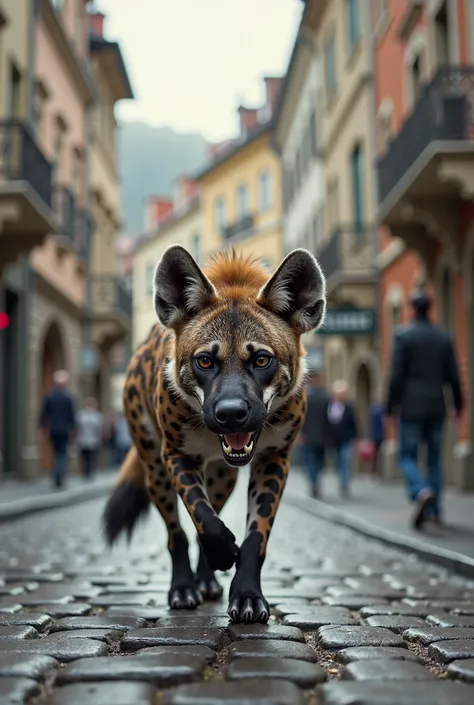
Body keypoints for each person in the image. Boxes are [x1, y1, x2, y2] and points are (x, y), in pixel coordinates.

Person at [386, 290, 463, 530]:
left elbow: (396, 375)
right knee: (434, 459)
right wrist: (459, 404)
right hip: (437, 404)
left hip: (411, 406)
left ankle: (421, 491)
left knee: (407, 456)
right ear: (430, 308)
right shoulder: (443, 336)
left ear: (411, 309)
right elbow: (454, 374)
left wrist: (390, 405)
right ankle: (436, 511)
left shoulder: (403, 336)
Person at [38, 370, 76, 489]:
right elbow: (72, 416)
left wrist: (42, 428)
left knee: (55, 453)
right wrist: (74, 430)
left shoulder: (49, 396)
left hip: (53, 429)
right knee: (62, 453)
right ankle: (59, 476)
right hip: (64, 430)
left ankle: (56, 476)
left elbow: (44, 414)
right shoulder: (68, 398)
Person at [325, 380, 358, 497]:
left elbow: (354, 424)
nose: (342, 396)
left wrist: (355, 437)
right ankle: (342, 480)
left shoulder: (349, 407)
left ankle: (344, 484)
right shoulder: (329, 406)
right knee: (337, 463)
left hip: (346, 440)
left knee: (345, 461)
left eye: (344, 393)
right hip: (333, 441)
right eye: (340, 393)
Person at [300, 371, 329, 497]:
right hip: (322, 436)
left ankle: (314, 481)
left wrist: (300, 433)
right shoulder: (326, 397)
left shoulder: (305, 398)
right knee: (319, 461)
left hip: (308, 436)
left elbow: (301, 418)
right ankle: (316, 480)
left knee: (309, 461)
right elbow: (331, 418)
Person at [76, 397, 103, 480]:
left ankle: (90, 472)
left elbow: (99, 429)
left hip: (93, 440)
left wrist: (100, 439)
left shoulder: (97, 416)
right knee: (85, 457)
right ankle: (85, 472)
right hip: (83, 440)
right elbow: (77, 428)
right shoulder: (81, 415)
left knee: (92, 458)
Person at [369, 393, 385, 479]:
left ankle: (376, 471)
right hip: (377, 435)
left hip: (379, 435)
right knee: (375, 455)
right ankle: (375, 471)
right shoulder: (376, 410)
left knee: (377, 455)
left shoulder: (375, 410)